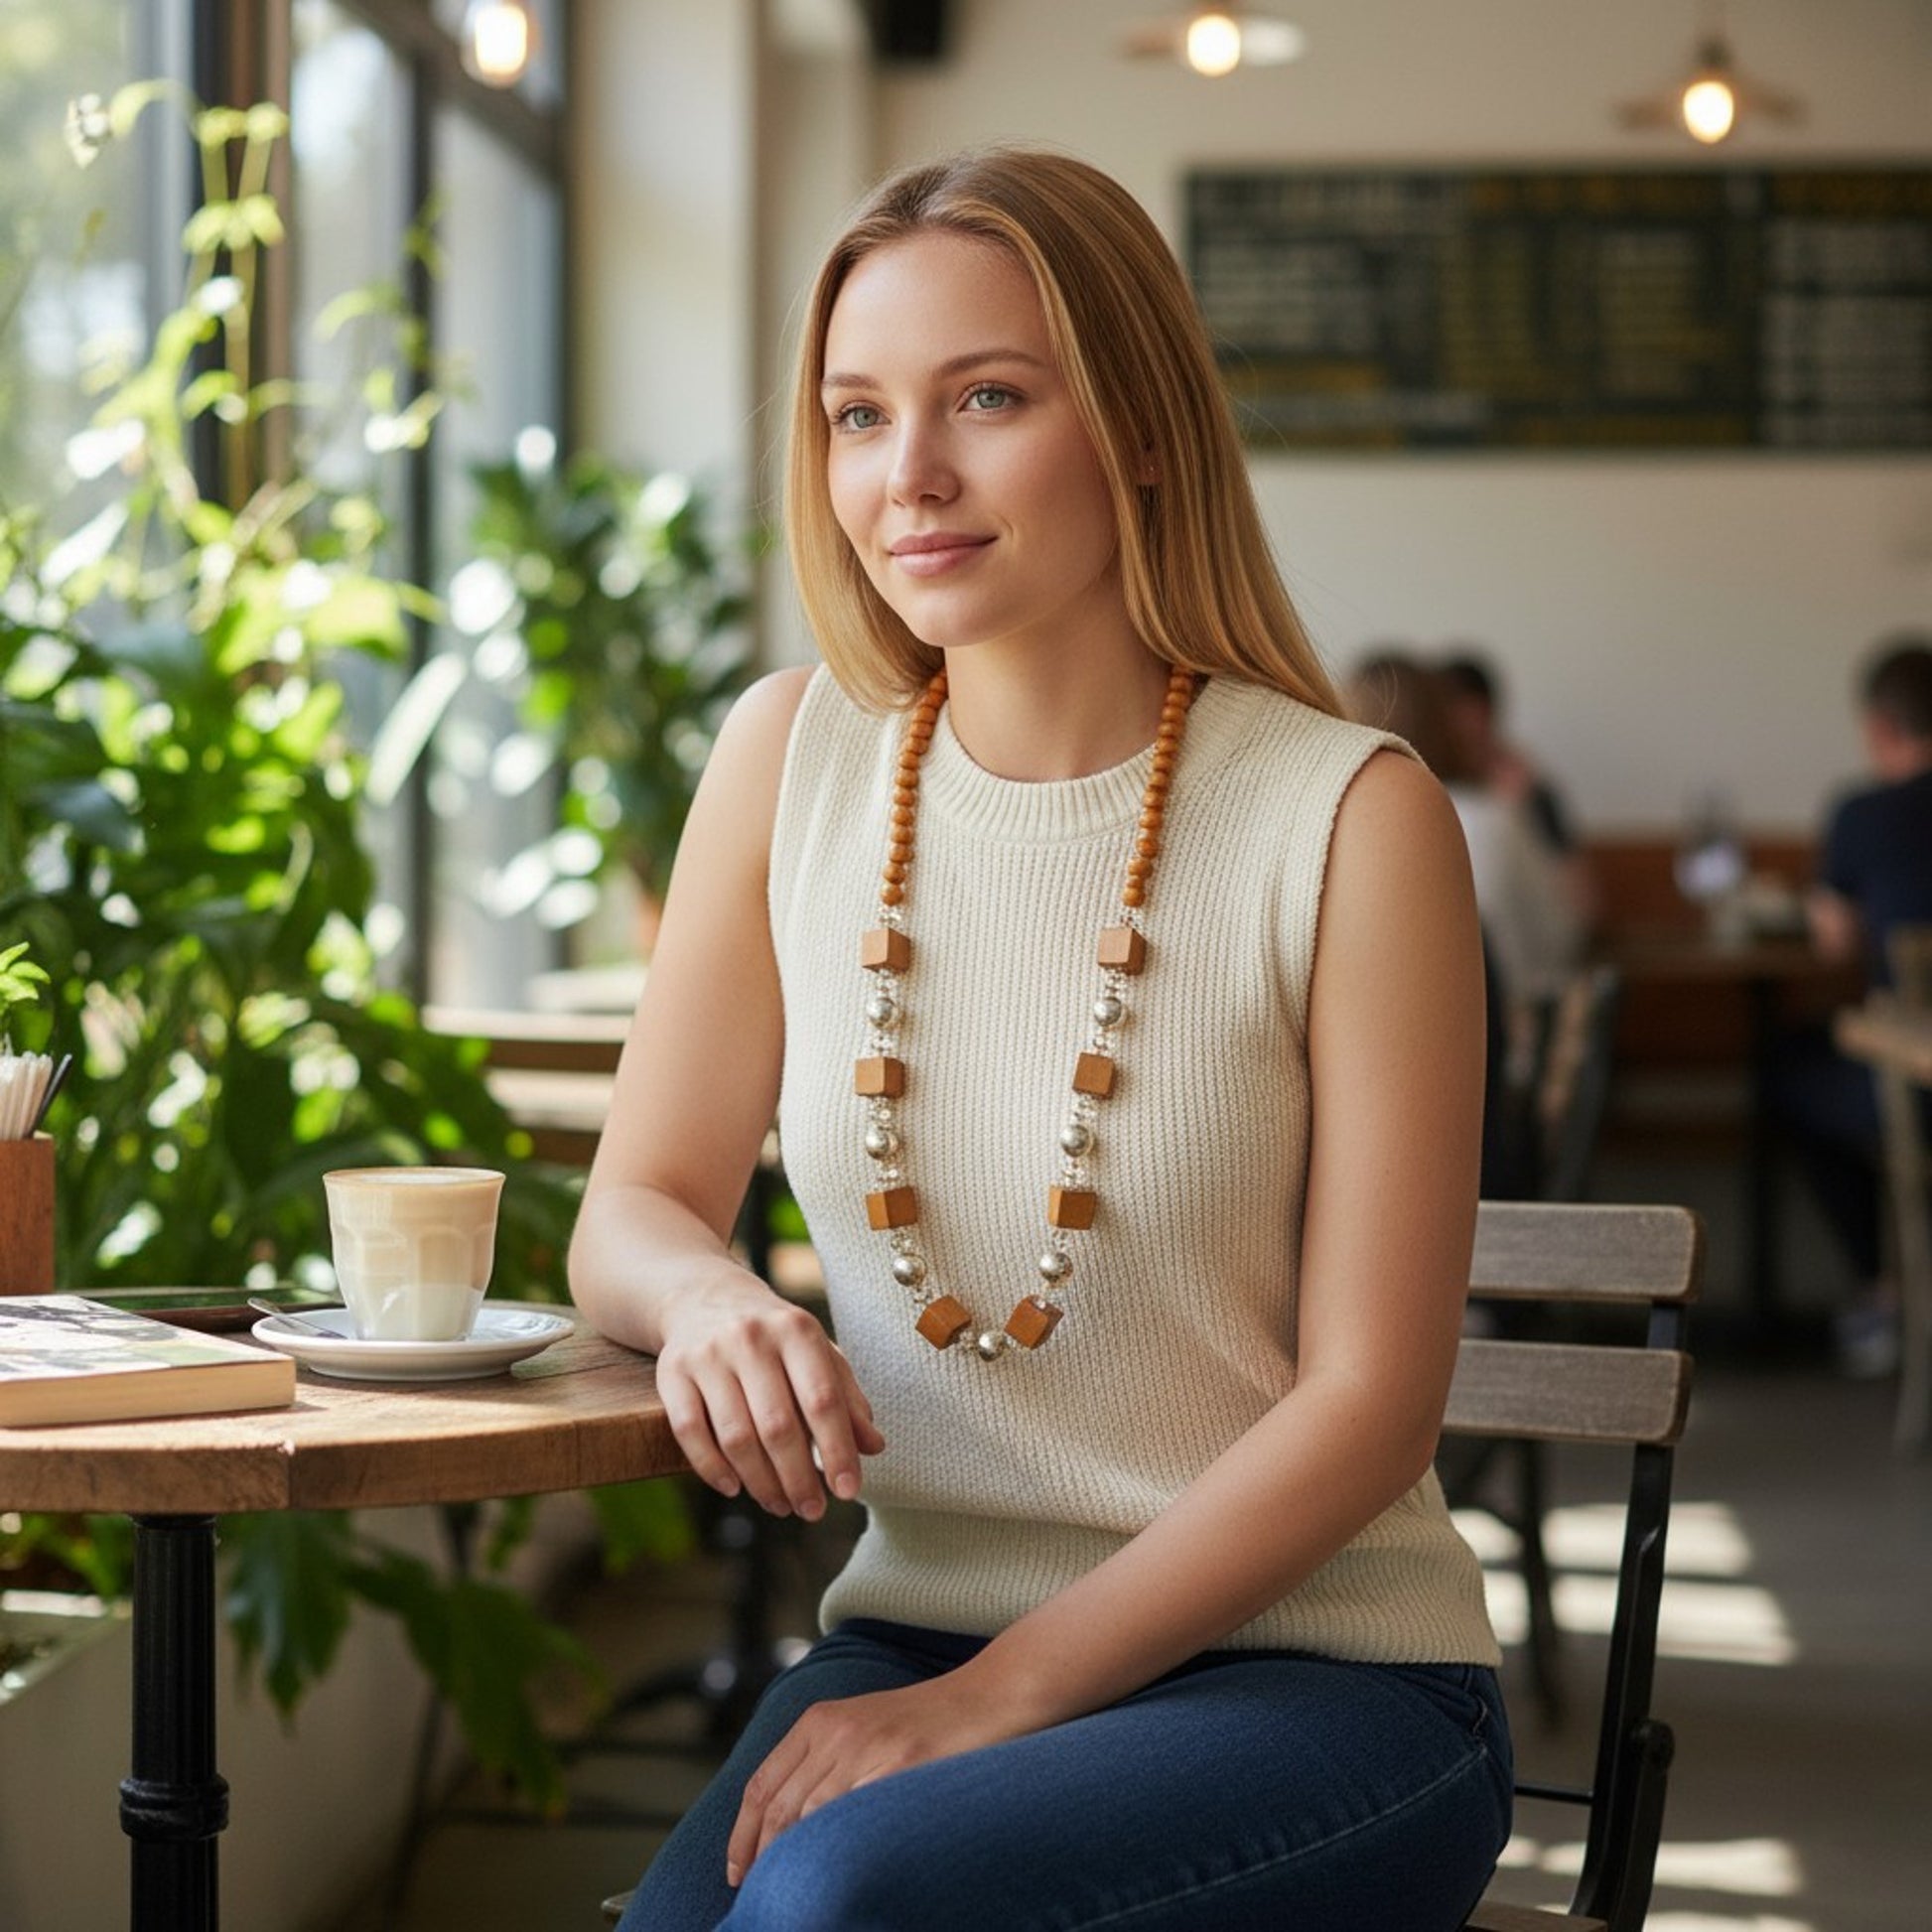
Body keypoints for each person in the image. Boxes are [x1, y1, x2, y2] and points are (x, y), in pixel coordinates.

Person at [571, 147, 1511, 1932]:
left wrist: (992, 1702)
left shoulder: (1350, 814)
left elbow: (1373, 1402)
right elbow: (635, 1204)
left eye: (986, 397)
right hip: (917, 1630)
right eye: (857, 414)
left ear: (1142, 425)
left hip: (1319, 1677)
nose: (905, 475)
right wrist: (708, 1297)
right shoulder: (790, 761)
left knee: (837, 1909)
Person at [1775, 636, 1932, 1374]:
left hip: (1910, 1083)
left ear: (1878, 726)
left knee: (1787, 1071)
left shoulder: (1864, 812)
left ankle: (1886, 1287)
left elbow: (1832, 943)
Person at [1349, 651, 1582, 1009]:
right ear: (1445, 725)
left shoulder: (1341, 829)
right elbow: (1561, 934)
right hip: (1502, 1030)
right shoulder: (1492, 817)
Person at [1439, 649, 1598, 937]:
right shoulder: (1431, 789)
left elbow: (1585, 906)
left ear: (1487, 713)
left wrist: (1518, 814)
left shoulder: (1532, 792)